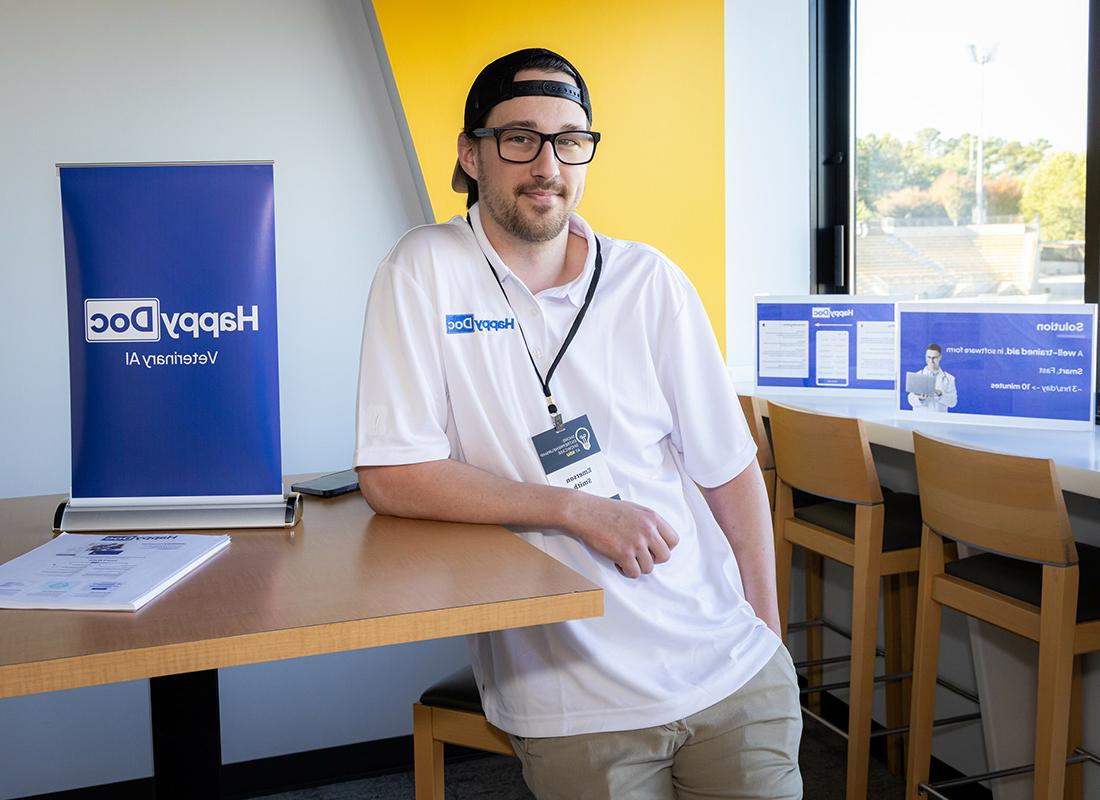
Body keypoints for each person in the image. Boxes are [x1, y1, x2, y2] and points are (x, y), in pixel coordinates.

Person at [354, 48, 802, 799]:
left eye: (570, 141)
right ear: (472, 153)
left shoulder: (649, 280)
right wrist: (576, 510)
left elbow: (728, 470)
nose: (548, 164)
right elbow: (393, 473)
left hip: (728, 666)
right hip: (572, 698)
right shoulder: (423, 270)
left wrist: (767, 636)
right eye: (519, 138)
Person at [907, 343, 958, 412]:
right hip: (921, 418)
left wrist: (941, 395)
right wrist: (920, 399)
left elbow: (953, 402)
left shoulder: (949, 379)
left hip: (940, 419)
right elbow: (910, 400)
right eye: (929, 357)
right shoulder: (917, 375)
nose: (931, 361)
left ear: (940, 357)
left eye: (934, 358)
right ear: (925, 357)